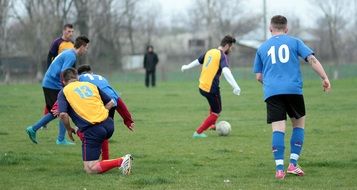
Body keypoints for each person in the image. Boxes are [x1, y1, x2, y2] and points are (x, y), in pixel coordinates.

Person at [253, 15, 331, 180]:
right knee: (298, 126)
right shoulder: (295, 42)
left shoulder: (262, 48)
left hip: (272, 92)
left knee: (278, 129)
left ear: (270, 29)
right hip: (293, 90)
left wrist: (271, 85)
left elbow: (259, 77)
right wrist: (324, 78)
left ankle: (279, 169)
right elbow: (312, 59)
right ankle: (293, 164)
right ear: (286, 29)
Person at [57, 68, 133, 174]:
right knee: (82, 130)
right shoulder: (91, 85)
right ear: (77, 77)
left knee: (90, 169)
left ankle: (121, 161)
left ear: (63, 82)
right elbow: (111, 102)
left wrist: (69, 129)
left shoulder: (64, 91)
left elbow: (63, 114)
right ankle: (103, 159)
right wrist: (102, 112)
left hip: (93, 130)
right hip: (108, 124)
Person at [26, 36, 90, 145]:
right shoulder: (71, 56)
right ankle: (57, 138)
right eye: (86, 47)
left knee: (58, 111)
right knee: (61, 110)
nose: (86, 50)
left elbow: (68, 71)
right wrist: (66, 88)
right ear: (82, 47)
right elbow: (63, 72)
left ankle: (37, 130)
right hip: (53, 84)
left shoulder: (69, 53)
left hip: (50, 83)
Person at [181, 35, 241, 138]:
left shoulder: (210, 51)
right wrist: (235, 86)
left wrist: (186, 67)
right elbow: (226, 71)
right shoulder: (222, 55)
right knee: (216, 112)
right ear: (227, 45)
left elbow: (198, 61)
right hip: (210, 88)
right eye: (231, 47)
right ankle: (198, 133)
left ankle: (212, 124)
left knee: (217, 106)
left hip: (203, 86)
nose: (231, 50)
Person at [77, 64, 135, 160]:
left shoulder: (79, 78)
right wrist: (127, 120)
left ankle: (94, 149)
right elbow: (117, 99)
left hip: (99, 102)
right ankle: (105, 159)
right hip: (111, 102)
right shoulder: (101, 78)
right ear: (91, 72)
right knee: (104, 131)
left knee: (87, 129)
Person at [42, 24, 75, 129]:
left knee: (58, 102)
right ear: (64, 31)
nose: (71, 33)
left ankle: (44, 123)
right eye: (69, 31)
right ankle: (44, 123)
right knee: (59, 103)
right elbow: (50, 56)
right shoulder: (57, 42)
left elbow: (72, 62)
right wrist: (48, 70)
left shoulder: (72, 44)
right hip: (56, 77)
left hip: (66, 76)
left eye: (72, 32)